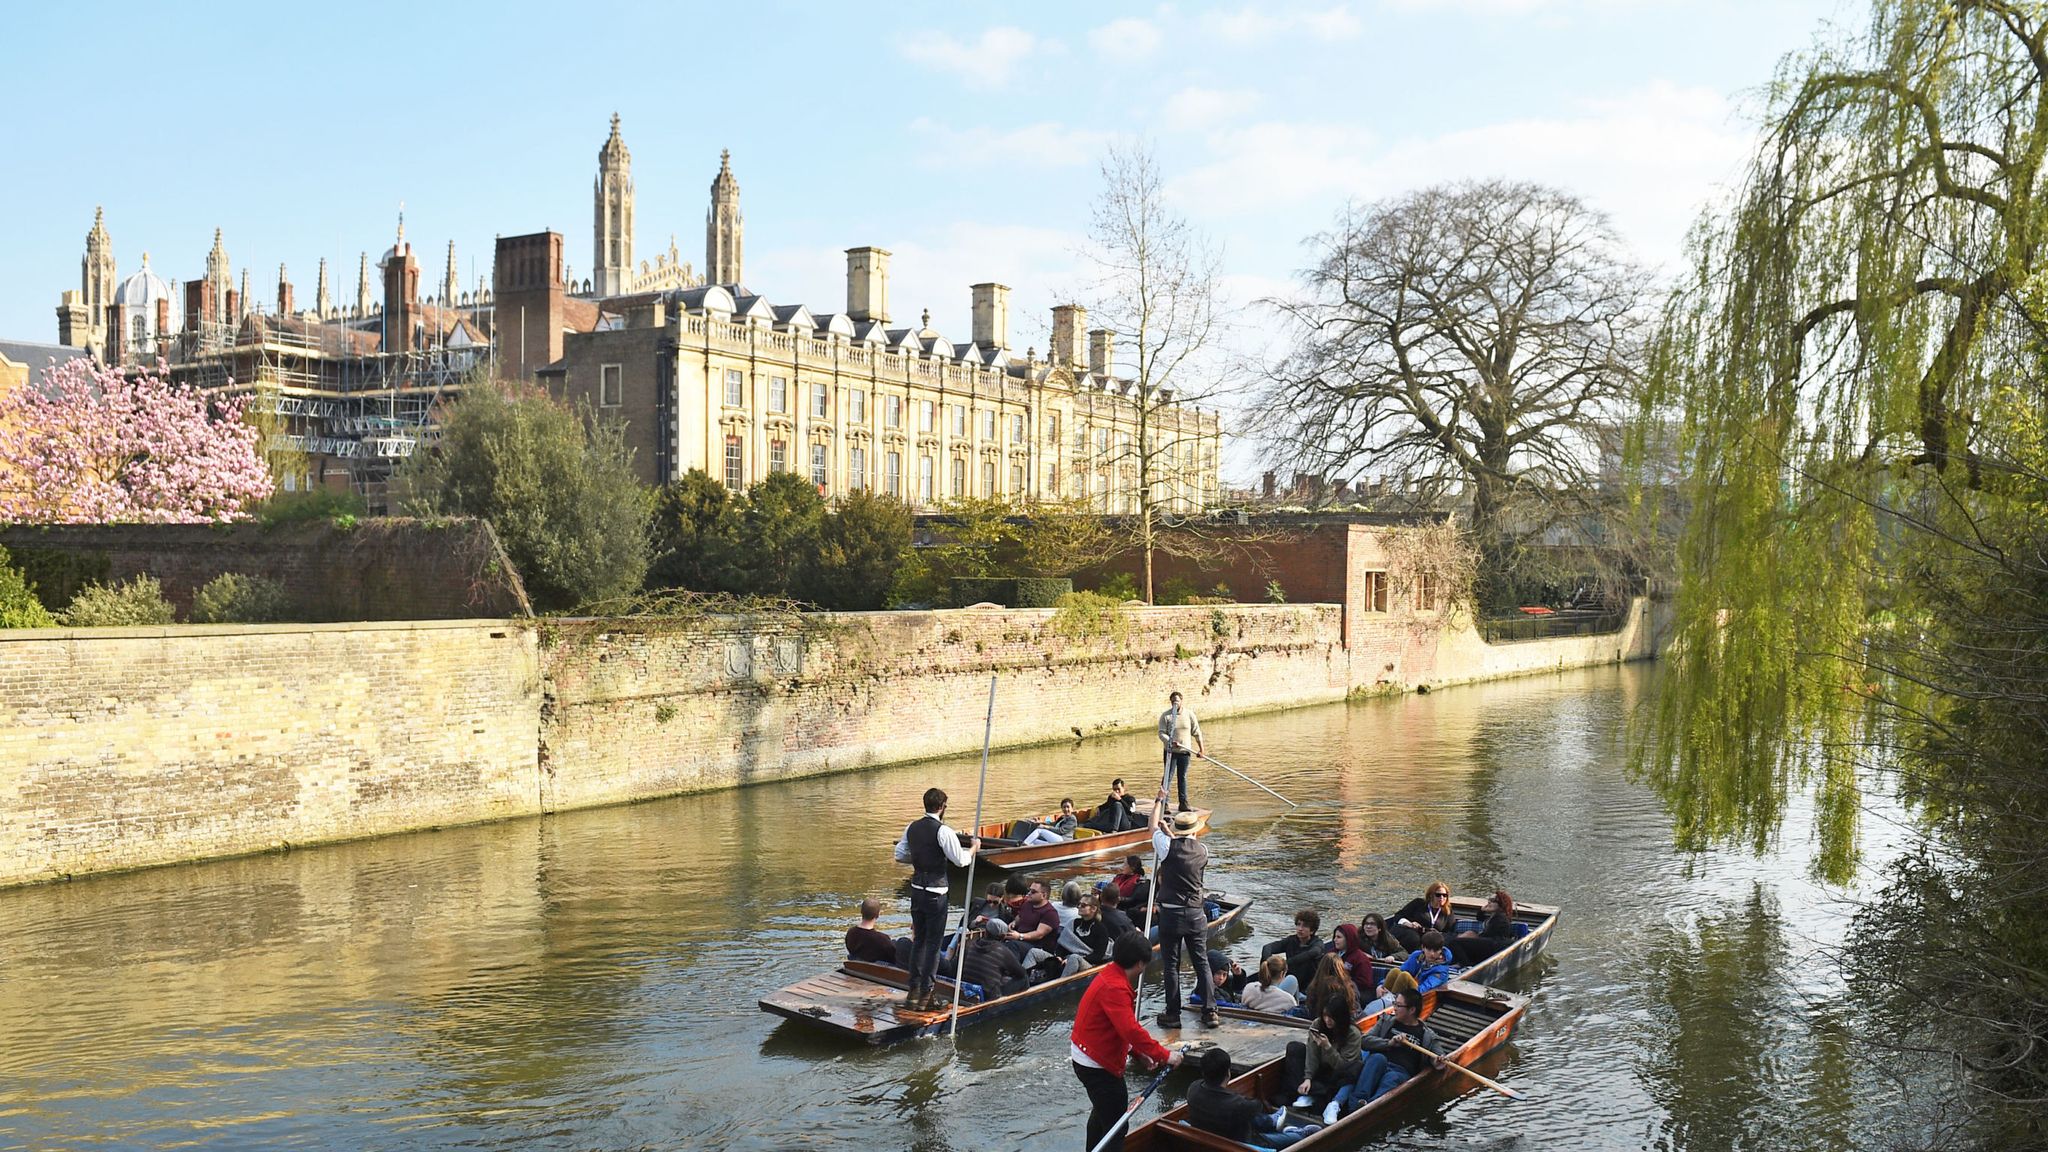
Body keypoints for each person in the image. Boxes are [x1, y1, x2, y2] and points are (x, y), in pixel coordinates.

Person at [1071, 930, 1184, 1152]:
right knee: (1116, 1126)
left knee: (1102, 1114)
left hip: (1089, 1054)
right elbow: (1130, 1029)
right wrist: (1164, 1054)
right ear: (1140, 964)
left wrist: (1138, 1053)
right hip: (1096, 1063)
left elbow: (1118, 1027)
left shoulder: (1109, 975)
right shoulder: (1115, 987)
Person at [896, 786, 980, 1011]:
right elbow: (960, 861)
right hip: (936, 893)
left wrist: (920, 861)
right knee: (933, 945)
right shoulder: (943, 831)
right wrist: (973, 849)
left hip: (916, 890)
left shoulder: (911, 827)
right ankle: (926, 995)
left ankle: (913, 991)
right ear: (942, 807)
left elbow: (900, 855)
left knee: (919, 941)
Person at [1327, 987, 1448, 1122]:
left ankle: (1368, 1111)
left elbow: (1438, 1057)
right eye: (1394, 1003)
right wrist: (1388, 1043)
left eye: (1398, 1005)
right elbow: (1364, 1041)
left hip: (1400, 1071)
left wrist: (1438, 1062)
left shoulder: (1427, 1035)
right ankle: (1356, 1106)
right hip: (1379, 1062)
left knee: (1392, 1077)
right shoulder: (1386, 1021)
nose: (1394, 1007)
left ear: (1412, 1010)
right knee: (1377, 1059)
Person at [1151, 797, 1216, 1028]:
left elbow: (1153, 826)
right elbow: (1183, 847)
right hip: (1196, 914)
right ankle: (1210, 1012)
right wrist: (1171, 833)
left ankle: (1173, 1014)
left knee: (1171, 965)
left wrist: (1159, 800)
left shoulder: (1167, 847)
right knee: (1202, 962)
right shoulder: (1203, 850)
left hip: (1171, 914)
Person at [1186, 1046, 1315, 1148]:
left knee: (1242, 1115)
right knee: (1297, 1139)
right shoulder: (1235, 1104)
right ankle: (1289, 1130)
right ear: (1228, 1073)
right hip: (1240, 1144)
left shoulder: (1193, 1088)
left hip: (1210, 1138)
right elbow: (1256, 1106)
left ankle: (1272, 1122)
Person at [1281, 998, 1363, 1111]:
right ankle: (1306, 1091)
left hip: (1336, 1075)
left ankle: (1313, 1093)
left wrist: (1327, 1047)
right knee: (1294, 1048)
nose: (1327, 1020)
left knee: (1354, 1069)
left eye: (1331, 1017)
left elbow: (1343, 1066)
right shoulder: (1318, 1024)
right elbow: (1311, 1053)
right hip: (1318, 1070)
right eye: (1325, 1015)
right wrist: (1308, 1078)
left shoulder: (1353, 1033)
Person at [1363, 932, 1453, 1014]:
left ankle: (1392, 1002)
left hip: (1421, 996)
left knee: (1405, 976)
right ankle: (1384, 997)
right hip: (1410, 989)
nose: (1432, 954)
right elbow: (1402, 969)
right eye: (1429, 950)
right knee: (1395, 971)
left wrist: (1402, 995)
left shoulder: (1441, 971)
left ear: (1440, 950)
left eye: (1435, 951)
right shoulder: (1417, 956)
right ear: (1423, 948)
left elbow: (1424, 989)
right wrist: (1381, 985)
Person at [1156, 690, 1205, 814]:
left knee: (1182, 777)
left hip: (1185, 752)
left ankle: (1183, 803)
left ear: (1181, 701)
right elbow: (1161, 733)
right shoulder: (1166, 716)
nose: (1175, 704)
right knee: (1168, 776)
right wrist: (1170, 741)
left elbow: (1196, 732)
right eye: (1173, 702)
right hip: (1170, 752)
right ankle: (1164, 803)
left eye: (1177, 701)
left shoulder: (1189, 714)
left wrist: (1201, 750)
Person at [961, 920, 1032, 1000]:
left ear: (986, 932)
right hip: (989, 995)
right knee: (1024, 978)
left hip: (969, 989)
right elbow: (1021, 973)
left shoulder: (971, 945)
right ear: (1002, 937)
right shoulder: (1002, 951)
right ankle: (1023, 1002)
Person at [1450, 890, 1517, 966]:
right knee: (1467, 936)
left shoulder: (1501, 918)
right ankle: (1462, 961)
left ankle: (1466, 964)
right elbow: (1480, 918)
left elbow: (1490, 935)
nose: (1489, 902)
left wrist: (1475, 937)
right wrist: (1482, 910)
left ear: (1501, 904)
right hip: (1490, 944)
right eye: (1489, 900)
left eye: (1492, 901)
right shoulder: (1494, 916)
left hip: (1494, 947)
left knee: (1456, 942)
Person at [1387, 882, 1457, 952]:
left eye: (1445, 895)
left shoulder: (1447, 911)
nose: (1442, 897)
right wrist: (1408, 923)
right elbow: (1398, 915)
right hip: (1413, 933)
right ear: (1431, 895)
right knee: (1413, 937)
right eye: (1438, 895)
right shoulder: (1419, 903)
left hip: (1432, 939)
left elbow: (1450, 931)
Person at [1261, 909, 1327, 983]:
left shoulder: (1317, 944)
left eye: (1305, 926)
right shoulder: (1291, 940)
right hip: (1289, 981)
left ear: (1312, 931)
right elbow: (1267, 947)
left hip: (1307, 987)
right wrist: (1269, 964)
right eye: (1298, 924)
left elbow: (1313, 952)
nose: (1300, 929)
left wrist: (1285, 964)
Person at [845, 897, 908, 967]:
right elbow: (893, 958)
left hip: (856, 969)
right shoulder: (882, 939)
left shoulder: (851, 933)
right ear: (878, 915)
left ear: (861, 912)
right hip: (877, 973)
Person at [1299, 952, 1357, 1021]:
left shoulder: (1313, 987)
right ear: (1340, 967)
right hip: (1343, 1023)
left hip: (1317, 1022)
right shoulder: (1349, 986)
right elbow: (1353, 1008)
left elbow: (1311, 1009)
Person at [1329, 924, 1377, 1006]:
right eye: (1335, 937)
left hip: (1359, 993)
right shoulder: (1331, 954)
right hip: (1335, 988)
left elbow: (1365, 982)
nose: (1335, 940)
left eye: (1339, 937)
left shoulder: (1360, 958)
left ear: (1348, 939)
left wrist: (1342, 984)